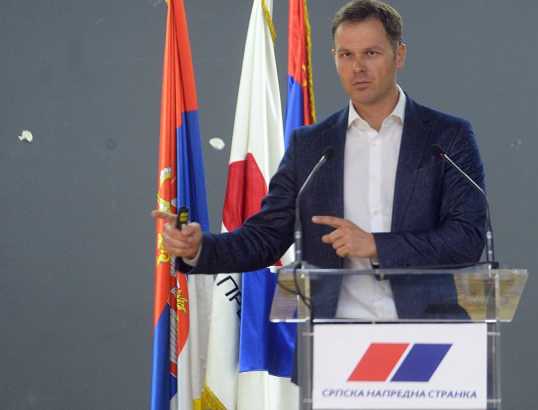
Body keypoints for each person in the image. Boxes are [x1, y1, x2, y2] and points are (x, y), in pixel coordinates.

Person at [154, 0, 486, 319]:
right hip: (333, 339)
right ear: (334, 58)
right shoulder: (311, 147)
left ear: (399, 54)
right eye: (346, 55)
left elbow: (467, 239)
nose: (358, 67)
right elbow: (267, 237)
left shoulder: (447, 138)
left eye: (371, 53)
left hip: (431, 337)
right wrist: (199, 248)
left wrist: (376, 245)